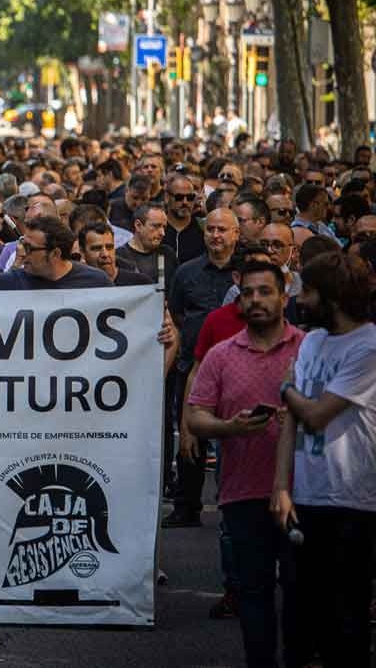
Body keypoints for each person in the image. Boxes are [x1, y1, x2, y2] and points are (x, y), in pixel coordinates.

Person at [185, 261, 304, 668]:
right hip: (240, 493)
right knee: (253, 594)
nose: (255, 300)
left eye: (265, 291)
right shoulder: (221, 355)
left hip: (302, 492)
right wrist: (230, 428)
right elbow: (195, 416)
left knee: (299, 589)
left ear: (283, 297)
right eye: (248, 292)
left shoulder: (307, 347)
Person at [272, 251, 376, 667]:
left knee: (344, 625)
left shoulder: (368, 346)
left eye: (308, 290)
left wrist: (286, 391)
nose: (299, 297)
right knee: (297, 621)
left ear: (331, 298)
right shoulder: (311, 341)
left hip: (351, 502)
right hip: (305, 498)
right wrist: (281, 487)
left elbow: (314, 414)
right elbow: (291, 423)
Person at [166, 208, 242, 528]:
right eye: (210, 229)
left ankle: (236, 505)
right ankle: (187, 505)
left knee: (236, 436)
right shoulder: (186, 272)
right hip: (193, 364)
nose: (215, 235)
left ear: (236, 234)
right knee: (190, 436)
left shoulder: (245, 274)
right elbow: (178, 314)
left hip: (237, 367)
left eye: (223, 229)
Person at [116, 203, 178, 287]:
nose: (162, 233)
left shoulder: (168, 254)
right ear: (138, 225)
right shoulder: (119, 256)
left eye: (164, 227)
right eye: (156, 226)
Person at [79, 223, 152, 286]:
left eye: (109, 247)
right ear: (82, 252)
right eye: (97, 248)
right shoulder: (75, 285)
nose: (105, 254)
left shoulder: (140, 283)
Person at [163, 175, 207, 264]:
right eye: (179, 197)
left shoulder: (204, 228)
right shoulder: (157, 227)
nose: (185, 202)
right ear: (167, 198)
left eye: (190, 197)